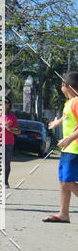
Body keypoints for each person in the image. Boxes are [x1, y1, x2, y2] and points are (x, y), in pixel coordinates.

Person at [43, 71, 78, 223]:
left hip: (74, 148)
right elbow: (69, 117)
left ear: (66, 86)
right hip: (67, 148)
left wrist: (69, 139)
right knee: (63, 181)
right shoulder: (70, 102)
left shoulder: (76, 102)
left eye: (62, 84)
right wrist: (58, 122)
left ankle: (64, 213)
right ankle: (64, 213)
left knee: (68, 181)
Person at [2, 96, 20, 187]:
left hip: (8, 142)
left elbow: (18, 131)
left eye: (5, 103)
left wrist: (10, 129)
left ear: (8, 105)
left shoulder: (12, 116)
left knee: (6, 162)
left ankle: (5, 181)